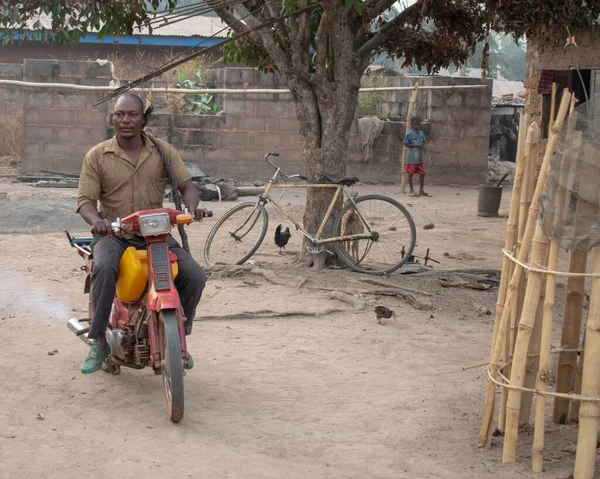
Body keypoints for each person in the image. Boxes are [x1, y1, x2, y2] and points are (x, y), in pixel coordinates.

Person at [76, 93, 207, 374]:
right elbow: (84, 201)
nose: (125, 120)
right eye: (119, 114)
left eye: (132, 114)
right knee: (105, 267)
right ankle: (98, 340)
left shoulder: (163, 151)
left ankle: (179, 337)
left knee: (194, 276)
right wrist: (97, 221)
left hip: (156, 234)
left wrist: (192, 206)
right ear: (112, 118)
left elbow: (187, 186)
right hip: (114, 234)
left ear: (143, 119)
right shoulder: (97, 155)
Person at [403, 116, 430, 197]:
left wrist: (421, 145)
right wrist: (416, 145)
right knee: (410, 173)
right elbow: (405, 143)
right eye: (415, 125)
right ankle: (411, 190)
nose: (417, 126)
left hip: (419, 158)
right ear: (411, 125)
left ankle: (421, 190)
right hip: (411, 158)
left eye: (418, 125)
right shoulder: (409, 133)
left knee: (422, 173)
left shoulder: (421, 133)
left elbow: (424, 141)